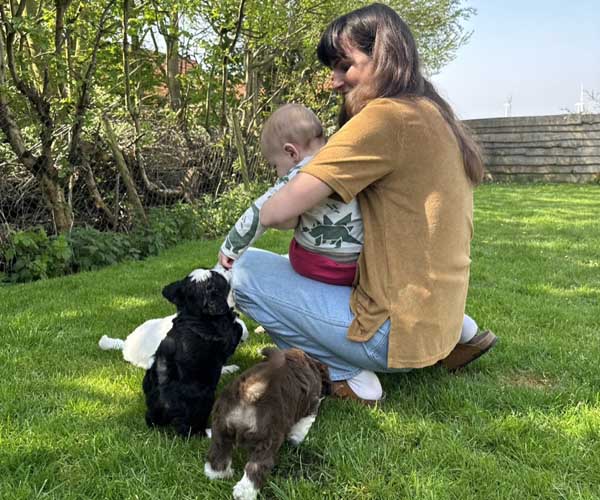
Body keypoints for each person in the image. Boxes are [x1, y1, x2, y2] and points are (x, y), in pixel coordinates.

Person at [229, 3, 497, 405]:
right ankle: (461, 334)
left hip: (390, 333)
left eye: (344, 66)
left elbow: (277, 212)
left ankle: (345, 374)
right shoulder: (434, 115)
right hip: (437, 317)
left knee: (244, 270)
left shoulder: (385, 118)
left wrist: (286, 198)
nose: (334, 82)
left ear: (383, 57)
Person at [219, 103, 363, 286]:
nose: (277, 172)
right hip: (357, 266)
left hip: (318, 266)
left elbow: (260, 210)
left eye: (275, 165)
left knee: (295, 247)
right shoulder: (347, 158)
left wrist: (230, 248)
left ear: (291, 152)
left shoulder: (301, 172)